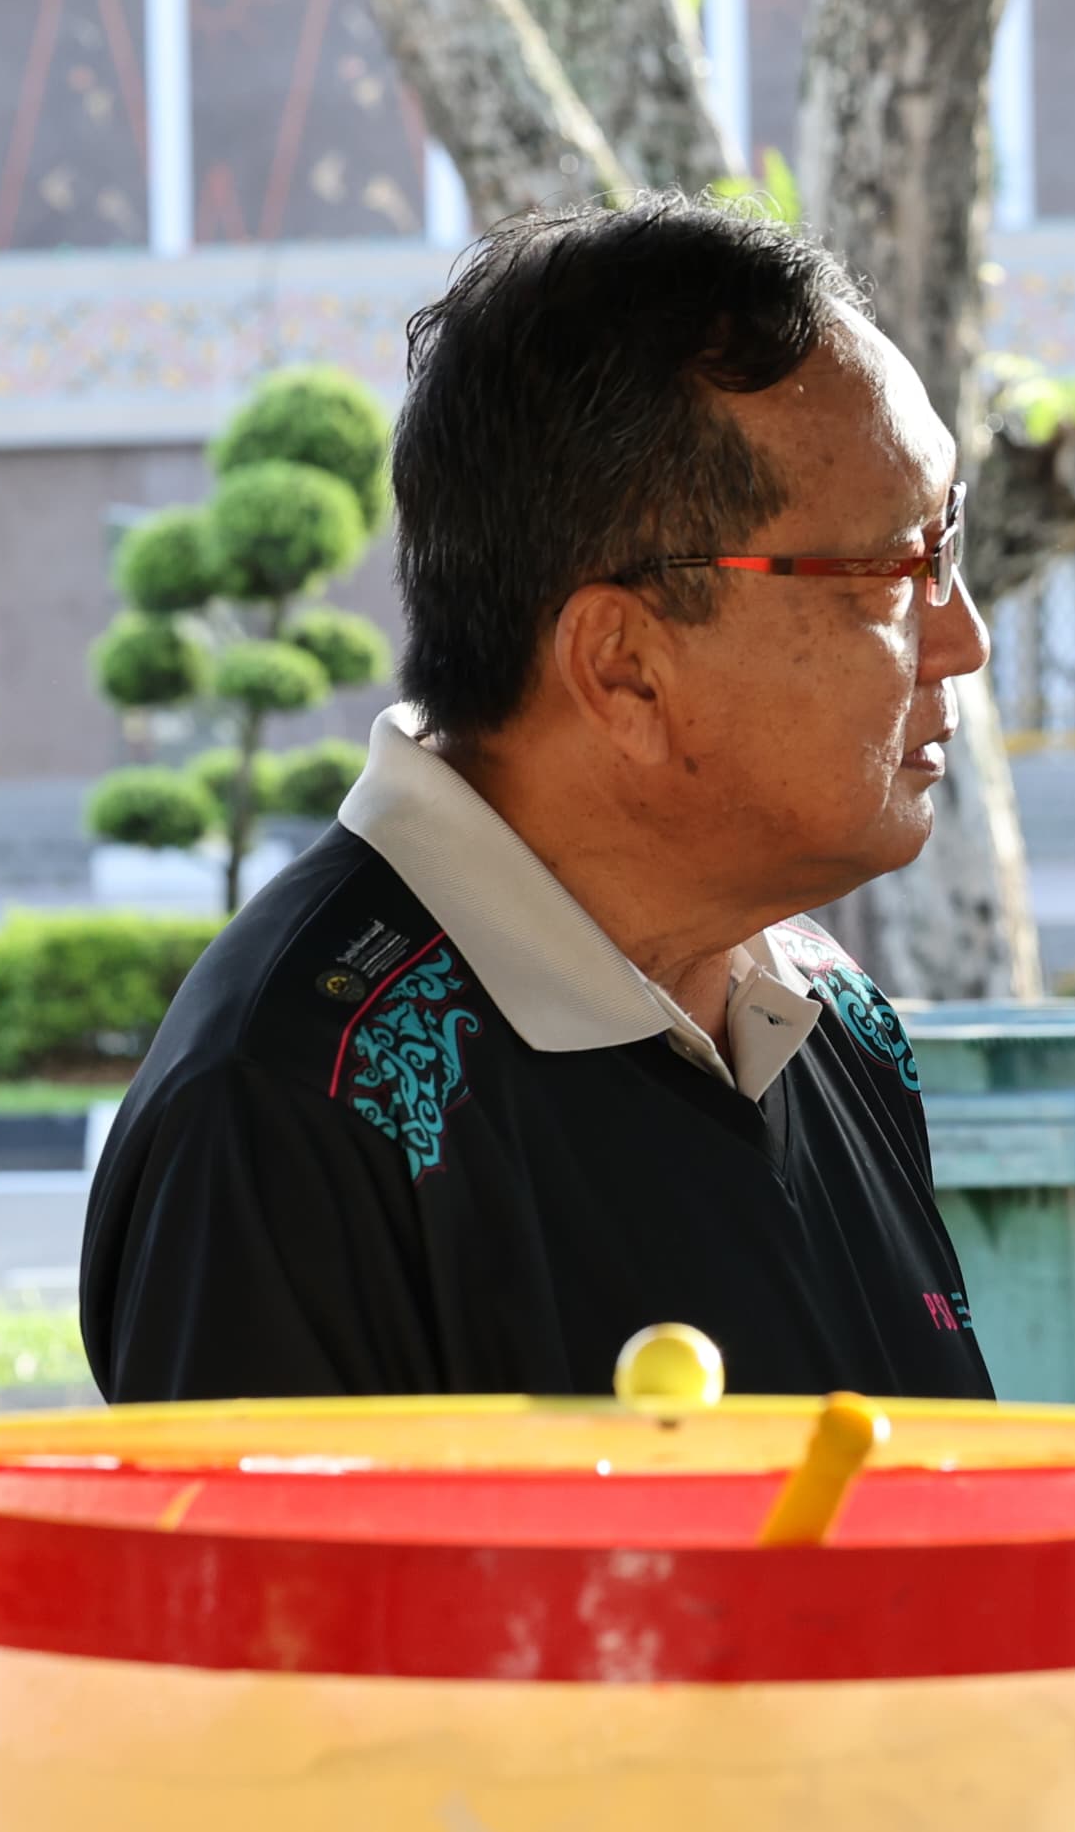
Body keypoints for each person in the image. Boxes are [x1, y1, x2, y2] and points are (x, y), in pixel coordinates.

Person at [82, 199, 992, 1404]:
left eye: (945, 544)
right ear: (623, 667)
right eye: (892, 572)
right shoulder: (287, 1109)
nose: (962, 640)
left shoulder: (833, 1019)